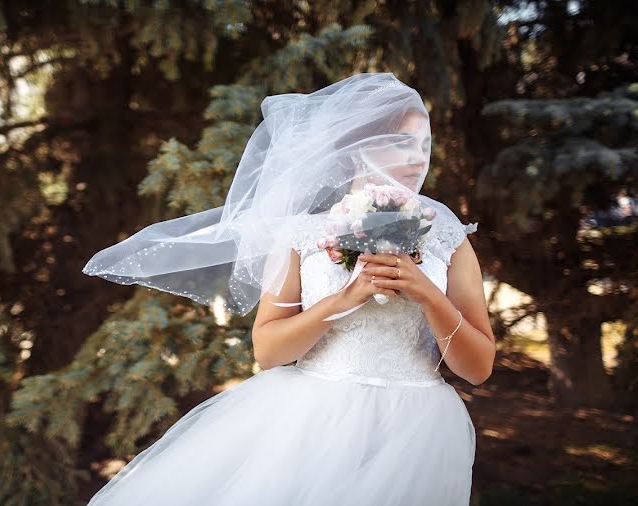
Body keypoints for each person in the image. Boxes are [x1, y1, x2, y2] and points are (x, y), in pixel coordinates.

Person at [82, 72, 496, 505]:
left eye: (423, 146)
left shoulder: (447, 237)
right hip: (311, 426)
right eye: (399, 143)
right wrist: (345, 299)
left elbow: (479, 367)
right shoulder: (302, 236)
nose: (416, 160)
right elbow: (269, 351)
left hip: (417, 432)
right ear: (356, 151)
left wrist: (428, 294)